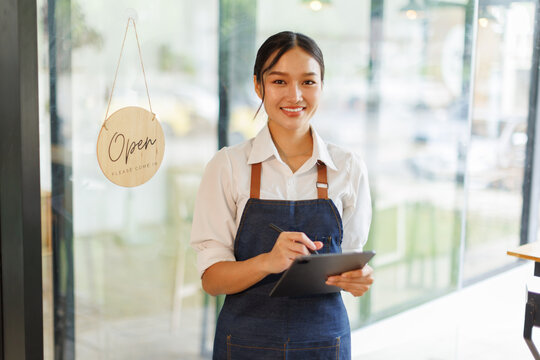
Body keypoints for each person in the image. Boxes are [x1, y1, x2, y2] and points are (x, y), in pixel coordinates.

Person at [190, 31, 373, 359]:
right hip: (245, 344)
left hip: (325, 343)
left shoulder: (348, 167)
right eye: (279, 82)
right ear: (259, 86)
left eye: (307, 82)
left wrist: (357, 279)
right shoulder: (228, 166)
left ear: (321, 86)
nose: (294, 95)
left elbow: (350, 257)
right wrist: (268, 262)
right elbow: (212, 280)